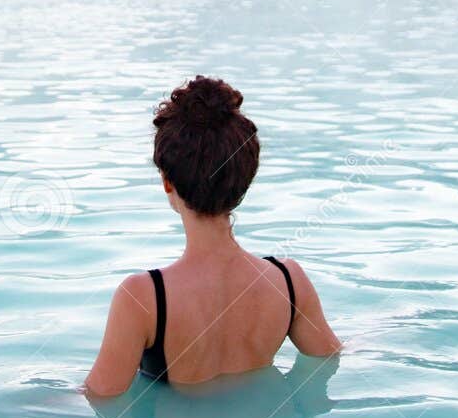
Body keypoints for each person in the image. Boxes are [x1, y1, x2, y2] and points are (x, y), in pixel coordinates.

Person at [85, 75, 340, 396]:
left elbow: (99, 399)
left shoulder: (142, 299)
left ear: (167, 183)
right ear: (245, 180)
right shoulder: (289, 281)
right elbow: (329, 357)